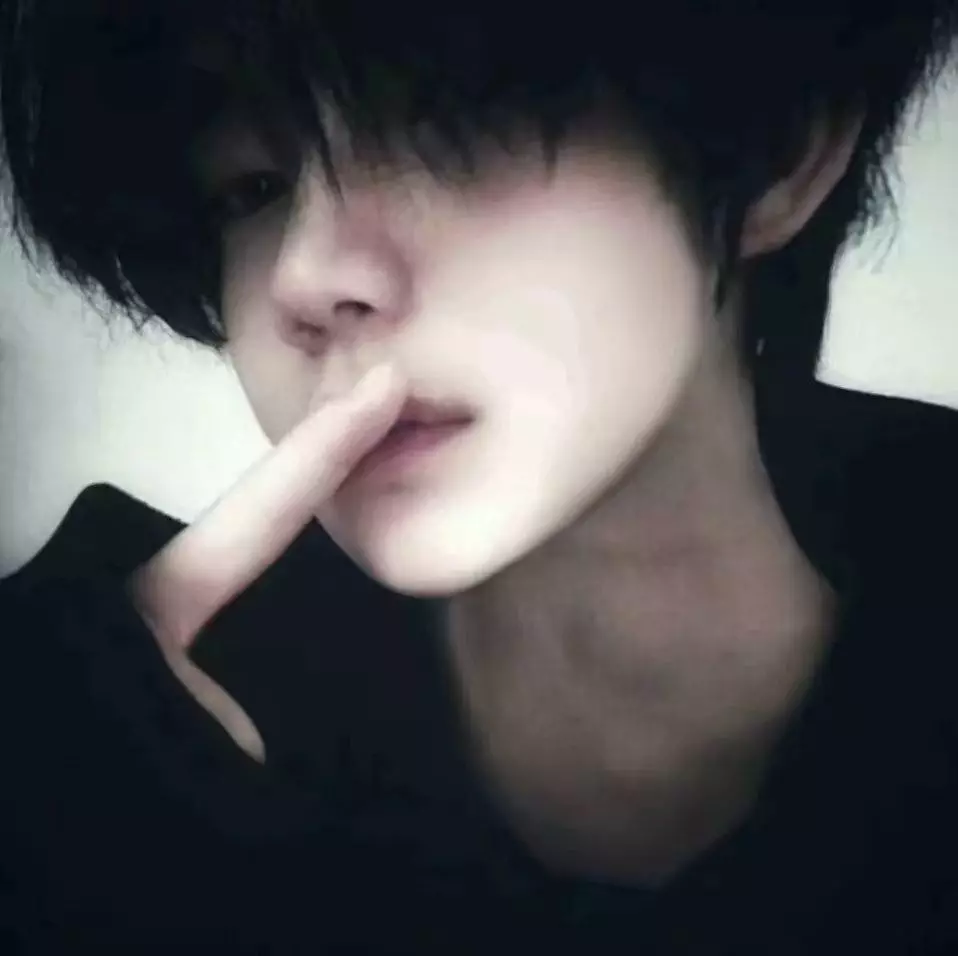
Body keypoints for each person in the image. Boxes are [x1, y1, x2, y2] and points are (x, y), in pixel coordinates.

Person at [1, 0, 957, 951]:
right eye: (249, 188)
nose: (304, 276)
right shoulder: (128, 720)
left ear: (780, 149)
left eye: (441, 131)